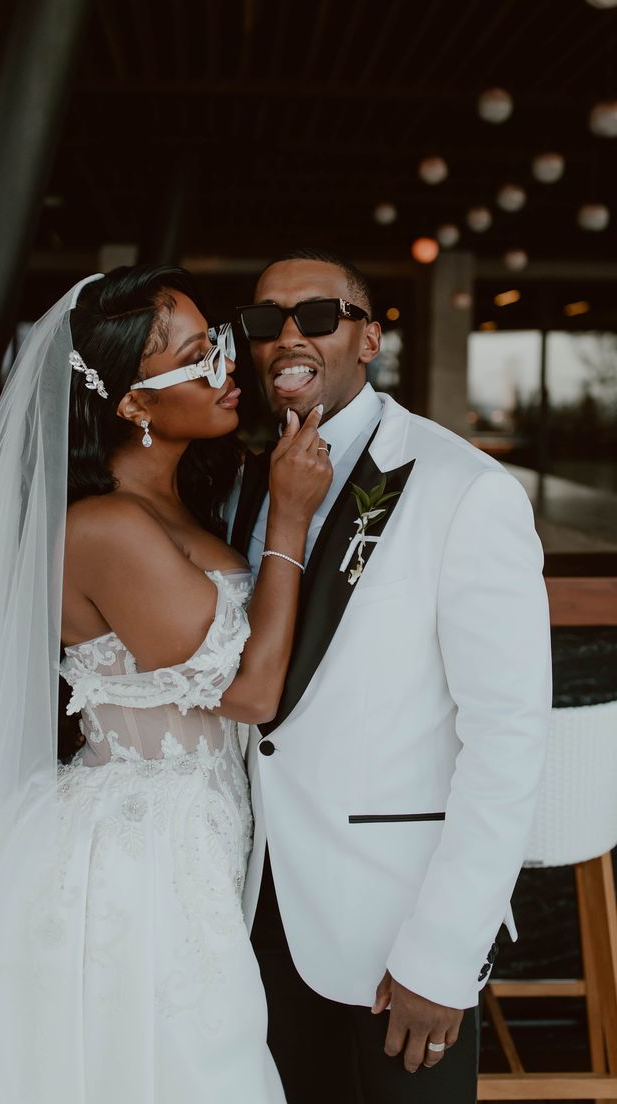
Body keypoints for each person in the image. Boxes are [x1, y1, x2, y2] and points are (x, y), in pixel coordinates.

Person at [0, 265, 333, 1103]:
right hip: (141, 850)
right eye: (200, 356)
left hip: (192, 834)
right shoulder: (106, 528)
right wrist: (295, 518)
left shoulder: (184, 509)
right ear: (133, 402)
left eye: (221, 346)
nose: (227, 368)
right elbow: (249, 693)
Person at [226, 249, 552, 1103]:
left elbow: (508, 741)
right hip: (247, 915)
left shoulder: (462, 488)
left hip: (390, 933)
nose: (289, 336)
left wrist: (443, 955)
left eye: (318, 316)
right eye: (266, 321)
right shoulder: (239, 488)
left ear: (368, 338)